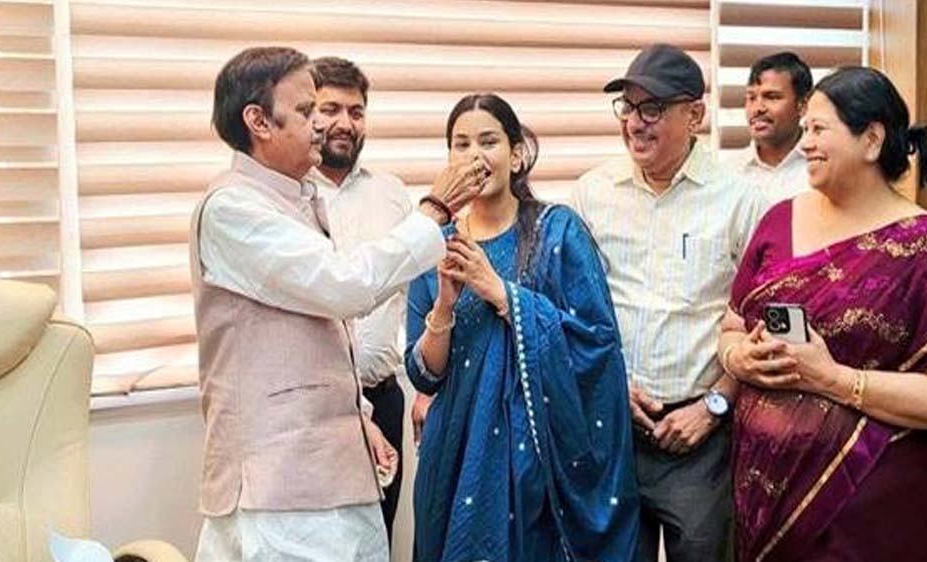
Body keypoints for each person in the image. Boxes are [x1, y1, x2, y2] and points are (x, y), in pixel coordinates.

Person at [190, 46, 481, 562]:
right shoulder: (232, 208)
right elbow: (345, 287)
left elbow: (323, 334)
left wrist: (358, 417)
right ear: (258, 121)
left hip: (334, 469)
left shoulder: (297, 198)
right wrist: (435, 209)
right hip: (281, 487)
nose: (322, 126)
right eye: (307, 112)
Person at [719, 66, 927, 562]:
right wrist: (738, 359)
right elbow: (731, 325)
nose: (805, 144)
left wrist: (834, 379)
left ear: (872, 140)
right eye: (805, 129)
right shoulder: (778, 220)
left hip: (875, 520)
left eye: (819, 129)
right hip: (762, 508)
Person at [405, 93, 639, 562]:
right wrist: (445, 306)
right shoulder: (433, 244)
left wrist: (501, 293)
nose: (475, 156)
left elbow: (597, 344)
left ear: (515, 155)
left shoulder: (557, 231)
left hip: (539, 457)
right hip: (455, 454)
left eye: (488, 141)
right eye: (461, 144)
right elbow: (424, 374)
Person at [571, 43, 765, 562]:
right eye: (628, 107)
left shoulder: (740, 199)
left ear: (695, 115)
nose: (635, 122)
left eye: (652, 108)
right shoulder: (592, 193)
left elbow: (759, 323)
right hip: (613, 426)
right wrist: (610, 386)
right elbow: (573, 310)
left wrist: (715, 406)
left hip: (700, 436)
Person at [305, 55, 410, 541]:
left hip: (384, 398)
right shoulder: (288, 196)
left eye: (356, 111)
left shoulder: (392, 193)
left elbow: (419, 291)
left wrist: (426, 388)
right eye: (330, 109)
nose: (345, 123)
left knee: (376, 541)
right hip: (316, 412)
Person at [730, 52, 813, 206]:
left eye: (772, 97)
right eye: (751, 98)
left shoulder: (823, 166)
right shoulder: (728, 173)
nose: (757, 109)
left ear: (802, 105)